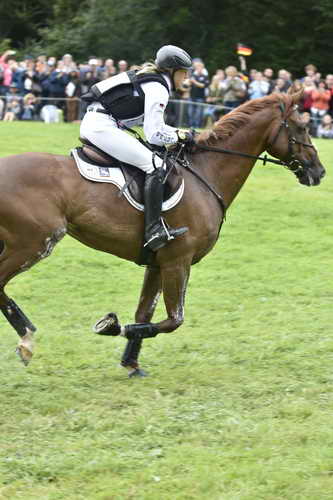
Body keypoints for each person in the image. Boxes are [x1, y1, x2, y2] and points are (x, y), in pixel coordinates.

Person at [80, 45, 194, 252]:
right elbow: (154, 133)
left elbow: (153, 131)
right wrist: (180, 134)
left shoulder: (152, 79)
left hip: (100, 123)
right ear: (172, 71)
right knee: (156, 166)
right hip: (101, 127)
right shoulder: (159, 88)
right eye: (184, 72)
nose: (185, 78)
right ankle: (154, 230)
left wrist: (177, 133)